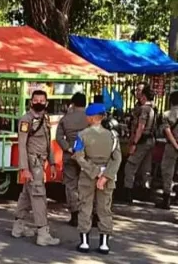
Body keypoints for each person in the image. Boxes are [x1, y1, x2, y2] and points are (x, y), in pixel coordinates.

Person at [72, 103, 122, 255]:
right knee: (104, 208)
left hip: (87, 176)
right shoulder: (113, 136)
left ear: (92, 118)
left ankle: (85, 243)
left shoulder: (82, 135)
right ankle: (104, 245)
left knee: (85, 207)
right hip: (107, 177)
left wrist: (94, 172)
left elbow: (79, 157)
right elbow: (117, 158)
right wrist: (105, 175)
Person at [11, 90, 59, 246]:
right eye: (36, 100)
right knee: (39, 195)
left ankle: (18, 226)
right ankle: (43, 232)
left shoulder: (45, 118)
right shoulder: (26, 120)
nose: (39, 102)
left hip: (42, 161)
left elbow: (48, 141)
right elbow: (22, 145)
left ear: (47, 102)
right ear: (31, 102)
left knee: (27, 193)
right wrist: (24, 168)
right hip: (33, 163)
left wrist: (52, 163)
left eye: (42, 100)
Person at [56, 92, 87, 226]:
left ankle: (74, 214)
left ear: (73, 104)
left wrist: (68, 148)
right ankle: (88, 214)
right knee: (87, 184)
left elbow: (58, 137)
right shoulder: (90, 118)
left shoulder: (65, 119)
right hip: (86, 155)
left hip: (70, 155)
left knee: (70, 184)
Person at [123, 85, 156, 204]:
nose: (137, 94)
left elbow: (140, 127)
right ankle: (145, 192)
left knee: (130, 166)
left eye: (139, 92)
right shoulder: (152, 108)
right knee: (146, 168)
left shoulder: (144, 109)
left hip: (142, 141)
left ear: (143, 95)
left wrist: (134, 143)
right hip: (150, 141)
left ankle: (128, 193)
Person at [155, 91, 178, 209]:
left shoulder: (167, 114)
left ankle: (166, 198)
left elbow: (168, 133)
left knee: (167, 171)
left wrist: (175, 146)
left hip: (171, 147)